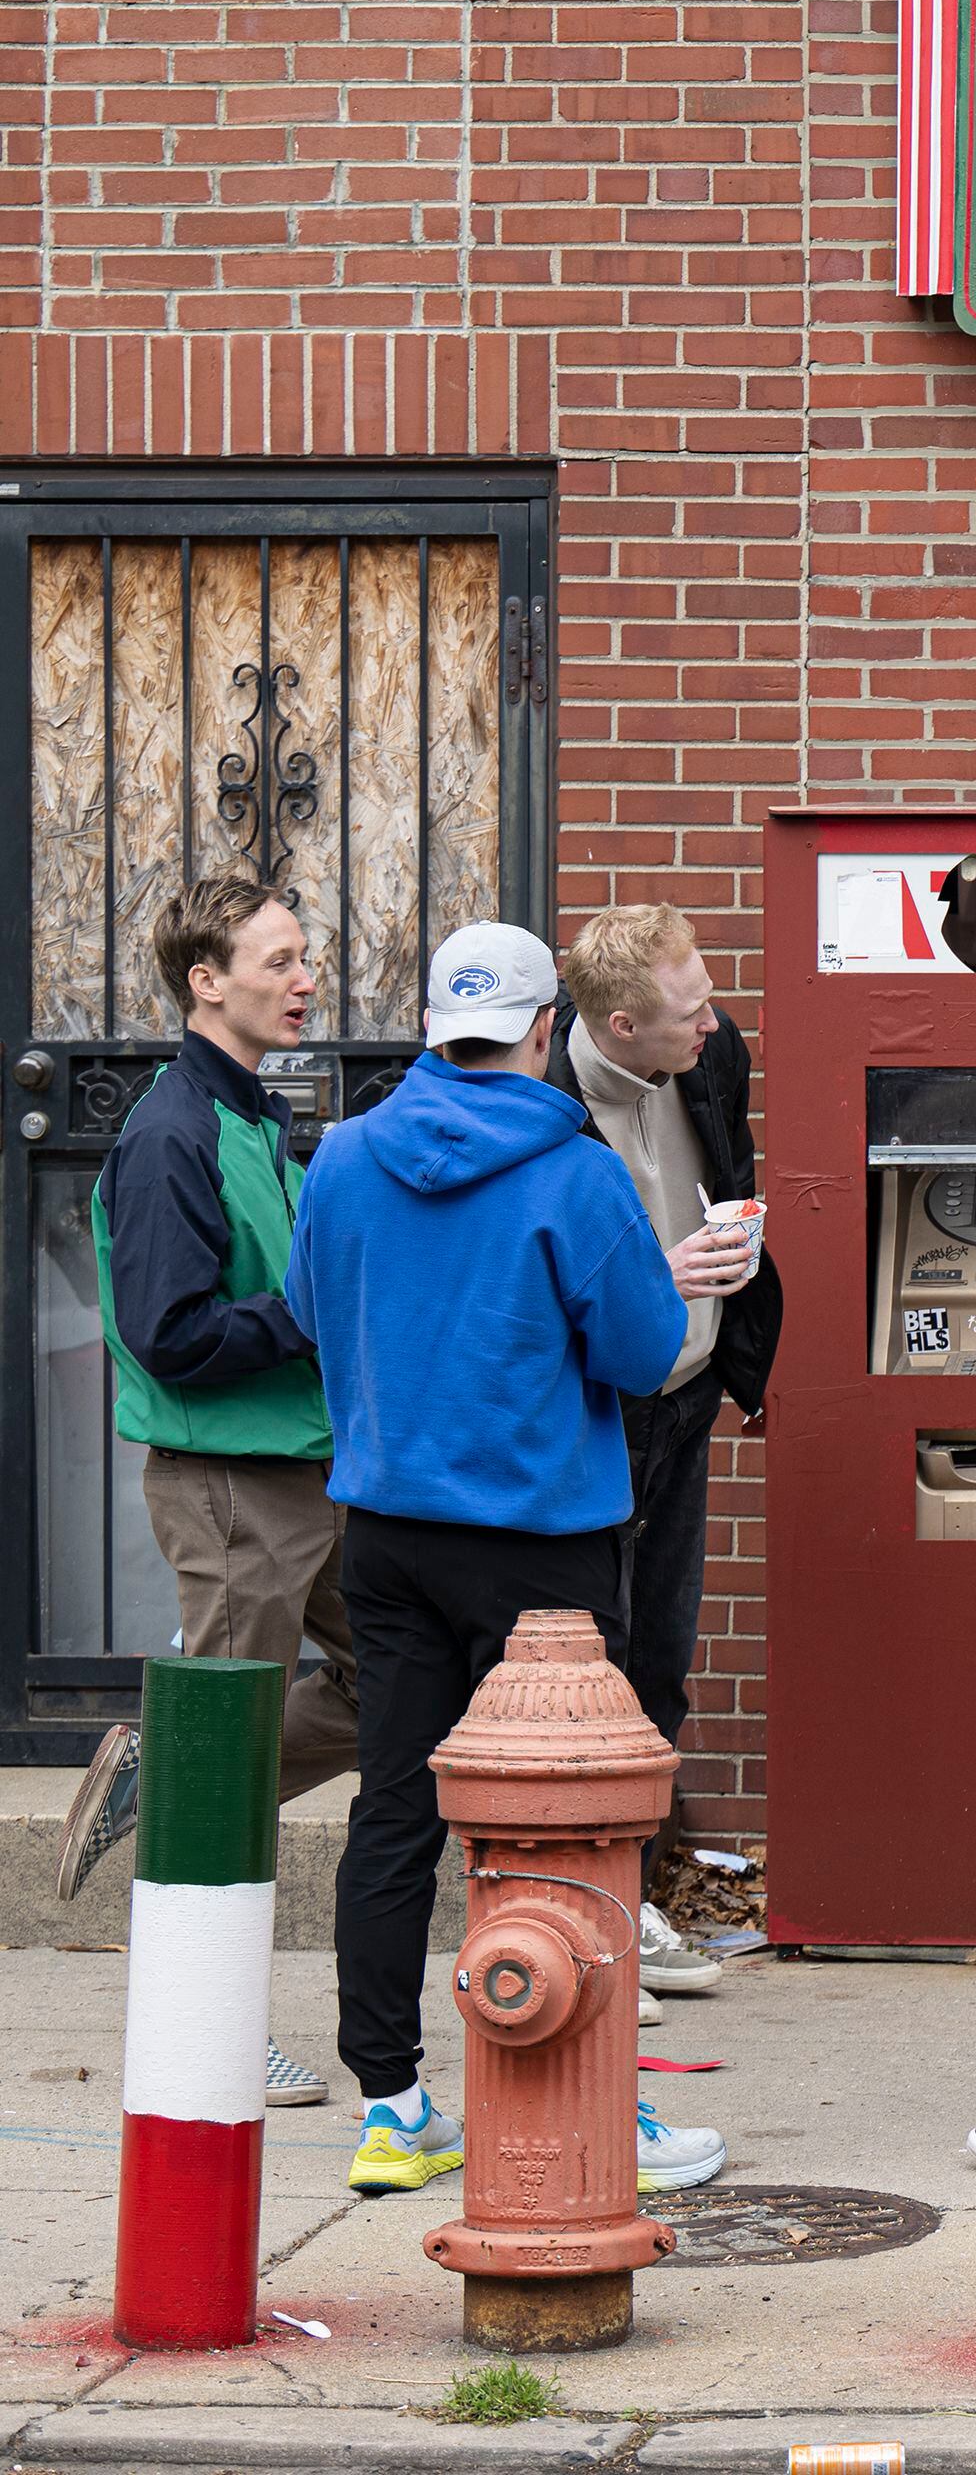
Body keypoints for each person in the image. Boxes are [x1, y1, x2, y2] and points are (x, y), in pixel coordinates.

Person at [288, 922, 726, 2196]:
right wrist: (680, 1274)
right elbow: (645, 1355)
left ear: (436, 1026)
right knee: (564, 1831)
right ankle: (590, 2104)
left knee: (393, 1812)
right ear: (545, 1030)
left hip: (385, 1534)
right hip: (542, 1545)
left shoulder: (348, 1156)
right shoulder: (573, 1169)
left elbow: (316, 1313)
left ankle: (390, 2103)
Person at [58, 879, 352, 2109]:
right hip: (232, 1487)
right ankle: (212, 2028)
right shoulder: (171, 1133)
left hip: (313, 1470)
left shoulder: (251, 1117)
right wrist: (309, 1313)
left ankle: (160, 1761)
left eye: (303, 957)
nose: (304, 978)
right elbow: (169, 1335)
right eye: (278, 960)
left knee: (409, 1677)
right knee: (228, 1754)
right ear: (205, 982)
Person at [546, 903, 780, 2006]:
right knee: (600, 1649)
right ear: (622, 1021)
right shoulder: (547, 1102)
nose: (715, 1022)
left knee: (663, 1658)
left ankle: (629, 1892)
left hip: (687, 1396)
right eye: (687, 1010)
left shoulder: (711, 1052)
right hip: (597, 1410)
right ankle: (588, 1908)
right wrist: (659, 1273)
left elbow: (725, 1159)